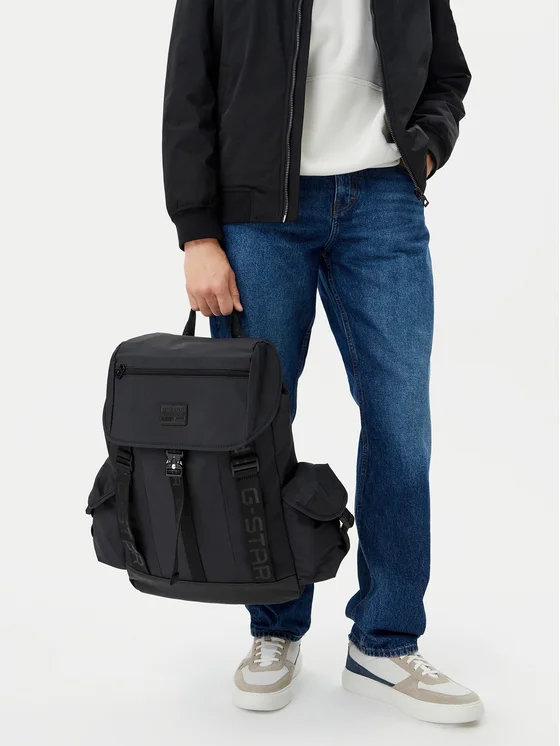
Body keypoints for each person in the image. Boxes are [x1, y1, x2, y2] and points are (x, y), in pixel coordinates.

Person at [162, 0, 483, 724]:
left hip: (384, 204)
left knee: (402, 423)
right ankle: (274, 628)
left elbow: (448, 73)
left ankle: (385, 640)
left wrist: (424, 148)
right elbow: (188, 90)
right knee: (258, 429)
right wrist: (197, 234)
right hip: (258, 218)